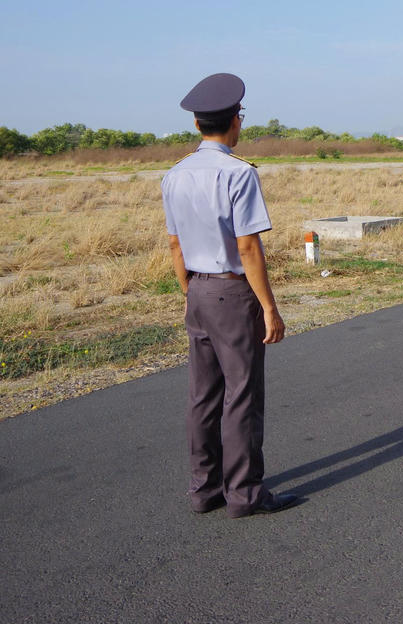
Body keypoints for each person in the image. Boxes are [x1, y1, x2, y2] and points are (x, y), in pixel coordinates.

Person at [161, 72, 296, 518]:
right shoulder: (238, 174)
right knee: (241, 394)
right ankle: (245, 494)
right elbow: (247, 246)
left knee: (203, 395)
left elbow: (176, 244)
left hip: (197, 289)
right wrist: (269, 307)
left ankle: (204, 489)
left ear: (198, 125)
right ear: (235, 121)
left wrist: (189, 291)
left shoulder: (174, 175)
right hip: (233, 293)